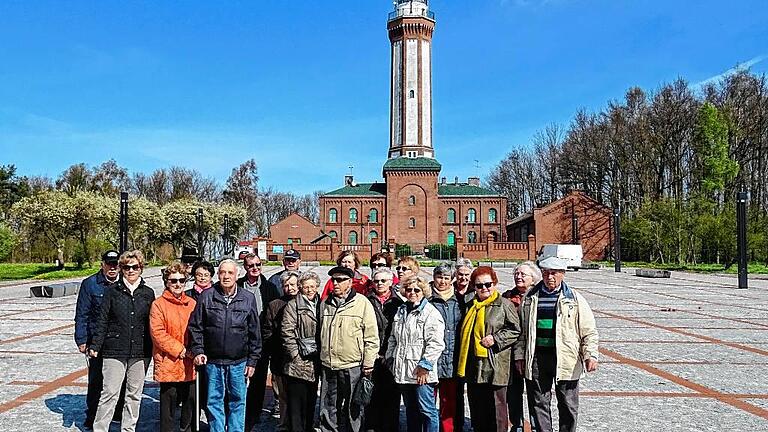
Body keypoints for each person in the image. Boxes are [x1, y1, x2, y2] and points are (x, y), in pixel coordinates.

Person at [514, 257, 599, 432]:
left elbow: (588, 330)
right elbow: (522, 332)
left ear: (563, 274)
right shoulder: (530, 298)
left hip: (566, 358)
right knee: (539, 402)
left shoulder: (574, 299)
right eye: (545, 273)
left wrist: (591, 354)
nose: (549, 277)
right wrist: (520, 355)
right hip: (537, 357)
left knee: (568, 404)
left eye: (554, 273)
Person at [188, 259, 262, 432]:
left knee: (238, 400)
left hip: (239, 362)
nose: (226, 276)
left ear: (237, 275)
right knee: (214, 401)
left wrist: (253, 361)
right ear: (218, 275)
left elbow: (254, 333)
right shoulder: (207, 296)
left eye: (230, 273)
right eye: (223, 272)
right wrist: (198, 350)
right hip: (213, 362)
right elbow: (196, 326)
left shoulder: (247, 298)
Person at [88, 250, 155, 432]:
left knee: (134, 395)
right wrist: (95, 345)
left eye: (134, 267)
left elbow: (153, 322)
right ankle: (100, 428)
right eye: (126, 267)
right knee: (109, 392)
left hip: (141, 350)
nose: (130, 270)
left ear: (141, 268)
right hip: (114, 349)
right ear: (121, 269)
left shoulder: (148, 293)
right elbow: (103, 319)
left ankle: (128, 429)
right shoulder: (112, 291)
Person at [457, 266, 520, 432]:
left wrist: (496, 339)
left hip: (496, 365)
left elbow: (515, 330)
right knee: (478, 409)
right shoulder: (470, 305)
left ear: (495, 283)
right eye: (479, 285)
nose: (484, 288)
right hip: (474, 365)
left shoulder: (504, 305)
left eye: (488, 284)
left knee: (497, 411)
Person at [318, 266, 380, 432]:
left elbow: (372, 336)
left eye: (340, 280)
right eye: (334, 280)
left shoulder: (362, 303)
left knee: (354, 406)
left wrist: (368, 363)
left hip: (352, 365)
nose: (335, 283)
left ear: (350, 282)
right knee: (328, 405)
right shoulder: (325, 303)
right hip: (329, 364)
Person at [74, 249, 125, 428]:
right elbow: (82, 314)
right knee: (96, 380)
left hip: (119, 339)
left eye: (116, 264)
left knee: (119, 379)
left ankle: (117, 412)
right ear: (102, 264)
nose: (112, 268)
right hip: (97, 340)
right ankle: (93, 414)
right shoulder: (90, 284)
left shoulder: (125, 282)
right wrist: (81, 339)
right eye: (109, 264)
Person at [386, 276, 445, 432]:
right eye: (409, 289)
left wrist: (425, 366)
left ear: (423, 292)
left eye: (417, 290)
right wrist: (390, 358)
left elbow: (436, 343)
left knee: (427, 411)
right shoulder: (401, 310)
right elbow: (393, 337)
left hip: (421, 372)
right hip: (403, 370)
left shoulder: (430, 313)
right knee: (411, 410)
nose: (412, 292)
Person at [150, 262, 197, 432]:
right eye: (173, 280)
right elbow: (158, 333)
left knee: (191, 402)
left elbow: (198, 329)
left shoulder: (192, 303)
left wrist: (195, 348)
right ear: (166, 282)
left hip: (190, 363)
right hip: (168, 362)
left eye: (181, 280)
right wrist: (180, 350)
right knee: (168, 407)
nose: (178, 284)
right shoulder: (158, 304)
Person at [238, 253, 281, 432]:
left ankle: (253, 415)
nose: (255, 268)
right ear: (245, 267)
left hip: (262, 341)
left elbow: (276, 313)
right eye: (251, 266)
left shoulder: (270, 287)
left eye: (258, 265)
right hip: (240, 339)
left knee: (258, 378)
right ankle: (239, 412)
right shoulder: (238, 285)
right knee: (238, 379)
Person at [503, 261, 542, 432]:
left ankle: (535, 426)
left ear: (533, 278)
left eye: (522, 274)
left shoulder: (540, 296)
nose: (518, 276)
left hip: (534, 353)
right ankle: (517, 425)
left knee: (536, 394)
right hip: (511, 353)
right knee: (513, 393)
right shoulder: (507, 296)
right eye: (516, 274)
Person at [364, 267, 403, 432]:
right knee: (371, 395)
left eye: (384, 281)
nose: (379, 284)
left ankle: (390, 427)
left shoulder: (398, 303)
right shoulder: (365, 301)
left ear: (390, 282)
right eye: (377, 280)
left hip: (391, 356)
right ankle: (372, 427)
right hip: (372, 355)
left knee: (392, 396)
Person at [281, 272, 322, 432]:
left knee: (311, 400)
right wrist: (295, 356)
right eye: (306, 287)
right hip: (297, 362)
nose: (310, 290)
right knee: (296, 404)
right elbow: (287, 332)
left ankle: (308, 428)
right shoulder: (293, 305)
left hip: (315, 360)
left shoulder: (322, 304)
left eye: (312, 286)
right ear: (300, 288)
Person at [429, 263, 465, 432]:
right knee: (428, 403)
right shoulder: (426, 300)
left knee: (448, 402)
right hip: (430, 360)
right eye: (439, 277)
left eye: (446, 278)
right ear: (433, 277)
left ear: (452, 280)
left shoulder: (460, 301)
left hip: (452, 359)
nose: (442, 281)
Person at [263, 271, 300, 432]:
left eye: (293, 284)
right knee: (283, 394)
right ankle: (284, 424)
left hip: (302, 358)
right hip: (280, 358)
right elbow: (267, 331)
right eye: (286, 285)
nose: (289, 288)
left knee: (299, 393)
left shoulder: (307, 302)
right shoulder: (275, 305)